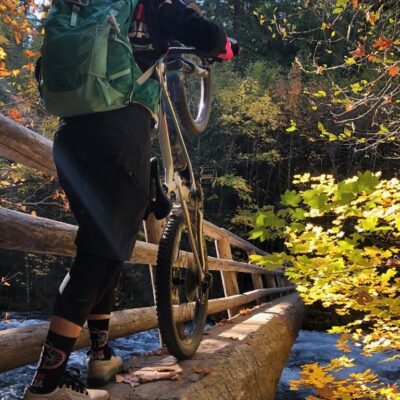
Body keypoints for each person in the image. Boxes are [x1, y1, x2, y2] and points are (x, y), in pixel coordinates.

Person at [23, 0, 237, 399]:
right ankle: (46, 385)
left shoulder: (86, 6)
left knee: (104, 246)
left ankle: (101, 356)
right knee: (97, 256)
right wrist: (226, 48)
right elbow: (208, 36)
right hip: (119, 131)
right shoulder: (152, 4)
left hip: (69, 136)